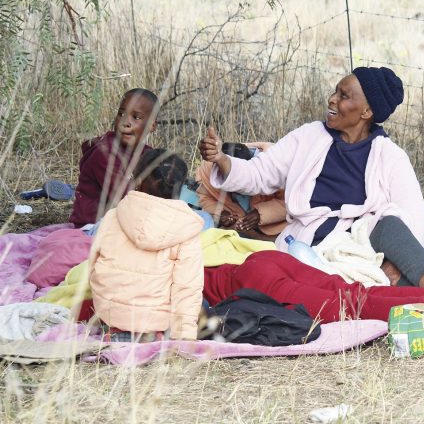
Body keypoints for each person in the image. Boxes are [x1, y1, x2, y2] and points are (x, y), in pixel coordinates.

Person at [199, 67, 424, 290]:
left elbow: (417, 222)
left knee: (390, 225)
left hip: (361, 245)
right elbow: (260, 174)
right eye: (335, 92)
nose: (332, 99)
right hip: (310, 247)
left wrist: (399, 263)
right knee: (373, 284)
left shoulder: (390, 156)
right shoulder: (308, 137)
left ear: (366, 112)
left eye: (344, 96)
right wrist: (222, 160)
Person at [88, 149, 204, 341]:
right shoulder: (187, 227)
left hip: (109, 317)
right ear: (181, 187)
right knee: (203, 305)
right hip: (155, 325)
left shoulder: (112, 216)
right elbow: (187, 288)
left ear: (138, 180)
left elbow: (93, 268)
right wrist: (184, 338)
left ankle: (117, 331)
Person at [203, 250, 424, 323]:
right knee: (360, 293)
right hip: (261, 261)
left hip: (252, 283)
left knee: (351, 306)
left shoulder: (177, 272)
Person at [69, 88, 158, 228]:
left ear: (152, 125)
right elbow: (124, 198)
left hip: (125, 219)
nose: (125, 122)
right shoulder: (104, 153)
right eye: (121, 114)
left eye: (136, 117)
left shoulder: (147, 153)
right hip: (93, 226)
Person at [195, 142, 287, 241]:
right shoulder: (208, 171)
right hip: (238, 231)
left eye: (237, 183)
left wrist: (261, 214)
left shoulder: (275, 168)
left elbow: (290, 202)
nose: (234, 191)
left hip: (279, 231)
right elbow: (205, 197)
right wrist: (221, 212)